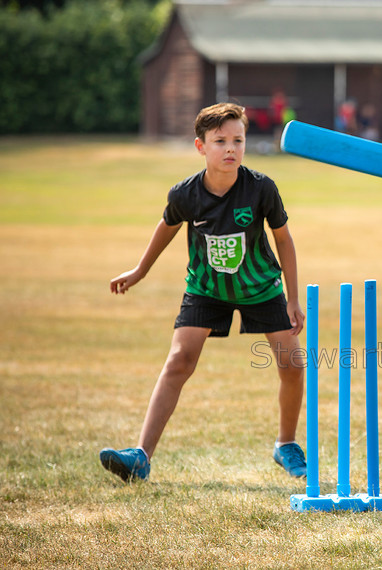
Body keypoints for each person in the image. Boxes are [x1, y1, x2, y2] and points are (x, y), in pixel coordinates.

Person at [99, 103, 307, 482]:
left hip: (260, 286)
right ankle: (141, 457)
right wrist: (139, 271)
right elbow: (166, 227)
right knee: (179, 360)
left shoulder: (261, 188)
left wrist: (293, 299)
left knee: (292, 364)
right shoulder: (185, 194)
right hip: (206, 288)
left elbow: (284, 241)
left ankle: (286, 444)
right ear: (200, 147)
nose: (231, 149)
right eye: (220, 141)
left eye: (238, 140)